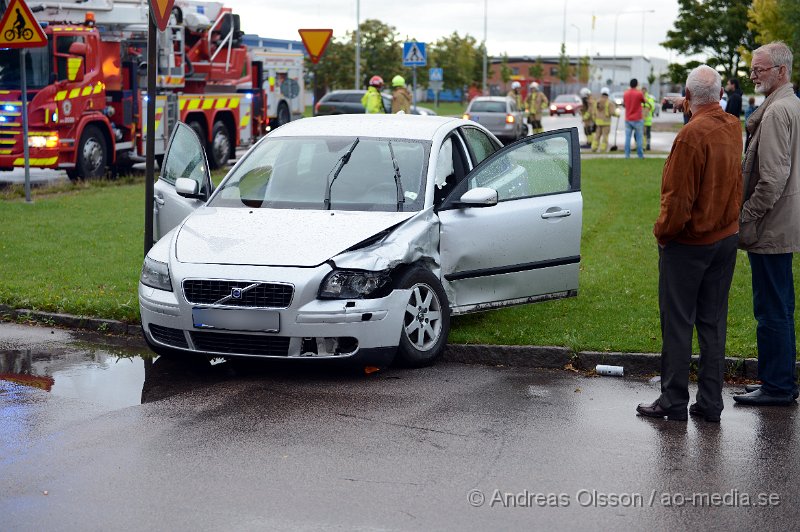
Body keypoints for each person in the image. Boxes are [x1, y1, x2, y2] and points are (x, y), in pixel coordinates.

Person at [636, 65, 743, 422]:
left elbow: (677, 201)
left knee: (679, 322)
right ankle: (711, 402)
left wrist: (663, 234)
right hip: (725, 237)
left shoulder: (691, 135)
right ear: (717, 96)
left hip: (691, 242)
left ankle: (673, 399)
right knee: (712, 323)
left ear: (687, 97)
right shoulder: (732, 126)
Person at [734, 41, 800, 406]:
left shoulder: (777, 112)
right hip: (781, 225)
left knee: (771, 309)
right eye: (753, 69)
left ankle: (777, 386)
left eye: (759, 69)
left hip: (771, 227)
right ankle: (779, 381)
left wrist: (745, 215)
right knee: (779, 305)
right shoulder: (790, 104)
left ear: (781, 70)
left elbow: (772, 178)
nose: (753, 75)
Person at [623, 78, 645, 158]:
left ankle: (627, 155)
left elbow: (624, 103)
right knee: (639, 138)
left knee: (627, 138)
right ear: (637, 84)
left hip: (628, 119)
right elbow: (644, 101)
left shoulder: (625, 93)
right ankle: (640, 155)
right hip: (638, 119)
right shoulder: (639, 93)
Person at [591, 87, 616, 152]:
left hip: (598, 122)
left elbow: (593, 112)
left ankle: (594, 148)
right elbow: (612, 112)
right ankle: (603, 149)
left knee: (597, 136)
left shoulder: (597, 102)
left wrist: (595, 120)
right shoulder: (609, 102)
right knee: (605, 136)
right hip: (606, 122)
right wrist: (617, 114)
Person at [642, 85, 656, 151]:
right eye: (642, 90)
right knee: (642, 134)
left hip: (648, 120)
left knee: (647, 134)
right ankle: (643, 145)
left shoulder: (649, 99)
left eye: (644, 90)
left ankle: (648, 145)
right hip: (641, 120)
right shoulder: (640, 98)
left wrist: (646, 106)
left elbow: (652, 107)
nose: (643, 91)